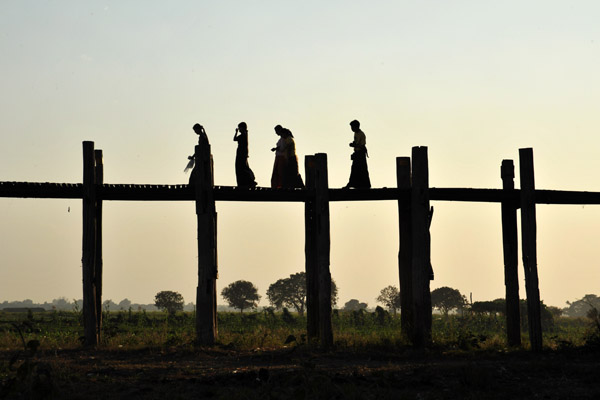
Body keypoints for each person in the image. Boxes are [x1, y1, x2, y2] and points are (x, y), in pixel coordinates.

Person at [344, 119, 371, 189]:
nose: (352, 129)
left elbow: (362, 146)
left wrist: (354, 145)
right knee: (355, 169)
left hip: (361, 154)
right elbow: (356, 142)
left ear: (356, 127)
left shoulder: (362, 134)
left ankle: (364, 185)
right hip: (357, 153)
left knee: (361, 169)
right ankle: (354, 184)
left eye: (352, 127)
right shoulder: (356, 133)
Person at [233, 122, 257, 188]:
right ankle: (247, 182)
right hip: (241, 153)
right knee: (242, 167)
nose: (239, 129)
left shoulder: (243, 135)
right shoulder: (245, 134)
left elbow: (235, 139)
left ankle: (248, 181)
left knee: (242, 168)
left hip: (241, 153)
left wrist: (236, 132)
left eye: (240, 128)